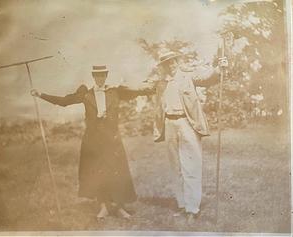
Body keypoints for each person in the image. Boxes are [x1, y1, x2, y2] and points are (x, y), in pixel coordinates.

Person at [31, 65, 151, 221]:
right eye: (97, 75)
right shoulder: (86, 94)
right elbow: (64, 101)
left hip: (112, 139)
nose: (100, 78)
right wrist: (40, 94)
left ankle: (120, 208)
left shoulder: (115, 92)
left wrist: (157, 87)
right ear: (93, 76)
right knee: (97, 172)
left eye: (103, 75)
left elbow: (138, 92)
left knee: (118, 172)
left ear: (106, 75)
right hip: (93, 141)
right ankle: (103, 207)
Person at [142, 51, 227, 220]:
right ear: (164, 67)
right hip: (169, 124)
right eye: (167, 63)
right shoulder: (161, 83)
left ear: (177, 61)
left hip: (187, 123)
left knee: (191, 165)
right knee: (175, 167)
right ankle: (181, 204)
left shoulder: (188, 76)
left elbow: (207, 79)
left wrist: (219, 69)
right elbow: (141, 88)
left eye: (173, 61)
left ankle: (192, 209)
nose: (171, 65)